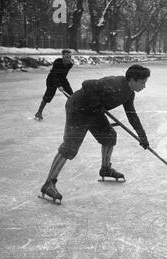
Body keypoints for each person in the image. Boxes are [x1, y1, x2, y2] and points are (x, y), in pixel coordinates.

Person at [39, 65, 151, 204]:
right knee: (70, 147)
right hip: (78, 108)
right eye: (142, 82)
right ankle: (49, 183)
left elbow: (132, 116)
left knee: (109, 136)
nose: (144, 86)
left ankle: (105, 169)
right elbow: (87, 84)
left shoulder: (129, 93)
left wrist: (142, 136)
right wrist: (96, 103)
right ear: (133, 80)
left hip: (94, 111)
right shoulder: (114, 83)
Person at [35, 49, 74, 121]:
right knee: (48, 96)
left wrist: (62, 85)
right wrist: (58, 85)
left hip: (62, 79)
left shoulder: (70, 64)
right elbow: (54, 74)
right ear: (63, 56)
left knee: (71, 96)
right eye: (66, 57)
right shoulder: (57, 62)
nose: (68, 59)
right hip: (52, 79)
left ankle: (75, 113)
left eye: (69, 57)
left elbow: (63, 76)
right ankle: (39, 112)